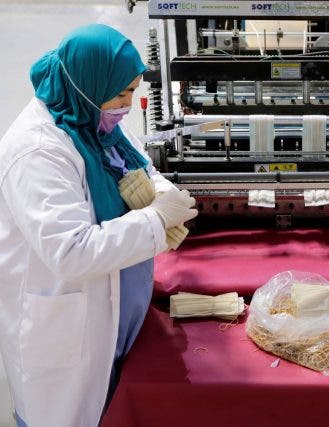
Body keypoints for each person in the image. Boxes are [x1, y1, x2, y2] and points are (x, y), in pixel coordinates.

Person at [0, 24, 197, 427]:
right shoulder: (37, 151)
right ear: (90, 82)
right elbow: (71, 251)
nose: (128, 104)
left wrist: (162, 193)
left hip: (116, 320)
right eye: (122, 93)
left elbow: (135, 164)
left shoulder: (92, 117)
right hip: (68, 336)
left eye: (133, 91)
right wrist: (157, 219)